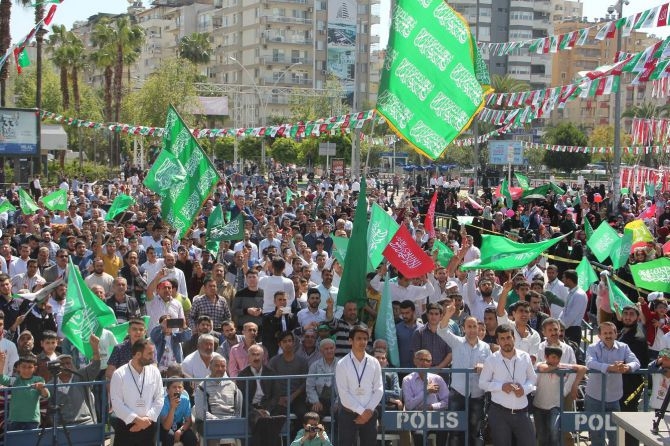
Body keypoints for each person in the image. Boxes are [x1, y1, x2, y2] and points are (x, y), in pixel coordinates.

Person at [437, 307, 491, 446]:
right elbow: (441, 330)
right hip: (458, 392)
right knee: (455, 431)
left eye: (475, 326)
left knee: (475, 430)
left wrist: (484, 368)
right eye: (469, 326)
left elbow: (491, 367)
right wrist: (448, 314)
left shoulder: (485, 347)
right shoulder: (457, 342)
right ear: (463, 328)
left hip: (477, 394)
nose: (472, 329)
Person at [479, 325, 537, 446]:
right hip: (499, 413)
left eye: (508, 337)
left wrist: (525, 389)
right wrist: (501, 387)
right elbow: (482, 383)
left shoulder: (525, 357)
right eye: (502, 338)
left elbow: (533, 379)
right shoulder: (491, 360)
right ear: (498, 341)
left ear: (514, 338)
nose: (506, 341)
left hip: (522, 412)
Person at [584, 321, 640, 445]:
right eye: (605, 333)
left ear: (616, 334)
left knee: (615, 435)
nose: (608, 335)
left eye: (611, 332)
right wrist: (610, 368)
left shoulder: (623, 347)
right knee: (596, 435)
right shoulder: (593, 347)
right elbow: (590, 363)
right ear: (599, 335)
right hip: (594, 397)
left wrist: (627, 367)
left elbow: (635, 362)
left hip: (614, 397)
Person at [334, 325, 383, 446]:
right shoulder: (342, 364)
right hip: (348, 414)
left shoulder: (374, 362)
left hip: (370, 413)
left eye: (365, 339)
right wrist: (362, 412)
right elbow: (343, 394)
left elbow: (379, 389)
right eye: (359, 338)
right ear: (350, 340)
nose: (363, 342)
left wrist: (368, 412)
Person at [110, 339, 165, 445]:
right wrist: (137, 420)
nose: (152, 357)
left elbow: (160, 397)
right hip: (126, 427)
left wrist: (147, 419)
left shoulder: (154, 372)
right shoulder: (119, 374)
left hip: (149, 425)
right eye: (149, 353)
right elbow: (116, 403)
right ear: (138, 354)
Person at [534, 346, 587, 446]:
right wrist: (560, 368)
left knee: (554, 433)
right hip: (539, 406)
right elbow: (543, 368)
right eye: (553, 357)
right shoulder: (540, 364)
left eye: (558, 357)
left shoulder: (562, 366)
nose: (556, 360)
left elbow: (583, 368)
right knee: (542, 437)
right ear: (546, 357)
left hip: (555, 406)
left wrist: (575, 386)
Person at [402, 349, 449, 446]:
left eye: (428, 360)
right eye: (421, 359)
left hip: (436, 417)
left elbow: (447, 401)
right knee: (419, 435)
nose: (424, 363)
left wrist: (432, 406)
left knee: (445, 430)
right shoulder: (407, 380)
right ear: (415, 361)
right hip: (417, 418)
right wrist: (426, 391)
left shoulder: (437, 379)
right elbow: (409, 405)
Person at [194, 354, 243, 446]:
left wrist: (231, 420)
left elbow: (238, 410)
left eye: (223, 366)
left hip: (229, 421)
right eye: (216, 365)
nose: (220, 368)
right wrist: (218, 421)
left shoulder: (233, 386)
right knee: (215, 431)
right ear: (210, 367)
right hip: (210, 422)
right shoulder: (202, 386)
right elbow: (201, 413)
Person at [0, 353, 49, 431]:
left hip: (32, 420)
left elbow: (46, 395)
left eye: (30, 367)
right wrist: (2, 362)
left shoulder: (39, 380)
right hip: (14, 419)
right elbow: (1, 378)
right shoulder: (14, 380)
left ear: (34, 368)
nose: (26, 370)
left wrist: (42, 388)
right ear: (18, 368)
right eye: (23, 367)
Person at [160, 377, 197, 446]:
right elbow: (166, 427)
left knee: (191, 437)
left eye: (179, 387)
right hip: (165, 427)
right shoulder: (163, 401)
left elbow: (188, 421)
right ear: (167, 390)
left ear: (183, 389)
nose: (177, 390)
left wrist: (180, 431)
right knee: (169, 436)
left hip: (179, 425)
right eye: (174, 387)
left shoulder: (185, 400)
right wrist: (173, 407)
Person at [306, 338, 337, 418]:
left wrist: (337, 403)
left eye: (331, 348)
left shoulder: (342, 365)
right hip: (320, 399)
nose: (329, 351)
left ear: (335, 349)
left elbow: (345, 388)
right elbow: (310, 386)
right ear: (321, 351)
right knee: (314, 415)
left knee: (341, 413)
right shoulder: (314, 365)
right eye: (326, 349)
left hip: (337, 399)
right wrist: (315, 401)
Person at [559, 270, 588, 345]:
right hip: (565, 329)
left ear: (568, 280)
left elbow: (572, 316)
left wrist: (561, 326)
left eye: (563, 277)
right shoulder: (571, 292)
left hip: (572, 331)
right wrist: (558, 321)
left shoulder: (579, 295)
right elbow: (565, 310)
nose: (562, 280)